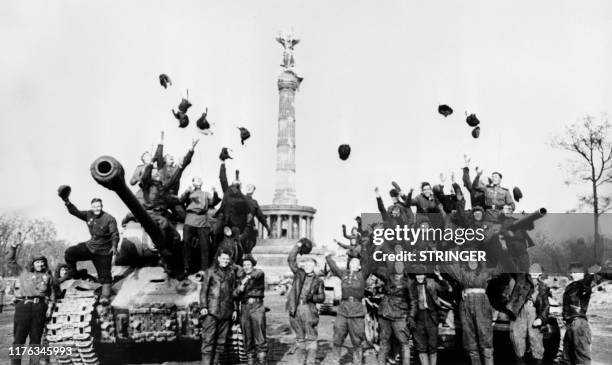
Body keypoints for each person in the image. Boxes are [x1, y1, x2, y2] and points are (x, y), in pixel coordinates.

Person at [440, 250, 499, 365]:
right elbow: (449, 266)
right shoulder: (462, 273)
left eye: (474, 259)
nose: (472, 261)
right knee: (470, 344)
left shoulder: (485, 272)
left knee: (486, 342)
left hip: (482, 305)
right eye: (469, 259)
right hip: (465, 306)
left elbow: (501, 270)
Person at [60, 194, 118, 304]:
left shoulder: (109, 219)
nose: (97, 209)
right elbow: (75, 212)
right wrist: (67, 201)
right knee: (70, 253)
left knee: (105, 277)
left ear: (102, 206)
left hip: (104, 251)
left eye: (98, 206)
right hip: (90, 247)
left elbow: (114, 234)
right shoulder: (89, 214)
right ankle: (72, 273)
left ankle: (105, 295)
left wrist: (114, 246)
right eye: (94, 206)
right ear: (92, 207)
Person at [7, 241, 55, 365]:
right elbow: (10, 261)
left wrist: (50, 307)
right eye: (38, 262)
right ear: (33, 263)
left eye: (42, 262)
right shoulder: (23, 273)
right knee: (19, 339)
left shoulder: (48, 276)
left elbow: (52, 294)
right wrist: (13, 247)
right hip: (24, 306)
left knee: (36, 340)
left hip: (40, 308)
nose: (41, 264)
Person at [372, 241, 417, 365]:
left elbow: (413, 301)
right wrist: (378, 250)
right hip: (385, 313)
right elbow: (374, 268)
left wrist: (411, 316)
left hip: (400, 315)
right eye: (396, 263)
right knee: (384, 341)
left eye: (401, 264)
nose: (398, 266)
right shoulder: (388, 276)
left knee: (404, 343)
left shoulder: (409, 282)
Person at [324, 253, 371, 365]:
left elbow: (369, 264)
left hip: (357, 310)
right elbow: (334, 268)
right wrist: (328, 257)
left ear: (360, 266)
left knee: (357, 339)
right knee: (338, 336)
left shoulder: (362, 275)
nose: (353, 264)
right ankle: (335, 360)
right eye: (351, 262)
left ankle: (357, 362)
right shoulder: (343, 274)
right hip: (343, 310)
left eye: (356, 263)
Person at [287, 240, 325, 365]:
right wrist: (297, 247)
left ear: (315, 267)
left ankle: (310, 361)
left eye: (310, 265)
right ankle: (300, 361)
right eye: (306, 264)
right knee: (299, 337)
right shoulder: (299, 274)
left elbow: (322, 297)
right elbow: (291, 260)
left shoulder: (318, 281)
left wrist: (312, 297)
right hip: (296, 309)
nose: (307, 266)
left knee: (311, 338)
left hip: (309, 309)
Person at [200, 250, 238, 365]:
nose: (225, 261)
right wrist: (203, 306)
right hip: (212, 310)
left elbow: (234, 292)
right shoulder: (211, 271)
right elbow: (204, 290)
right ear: (218, 259)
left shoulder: (231, 273)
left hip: (226, 310)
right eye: (223, 258)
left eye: (227, 259)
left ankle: (216, 363)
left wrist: (235, 309)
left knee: (221, 342)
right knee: (208, 341)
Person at [509, 263, 550, 365]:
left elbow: (545, 306)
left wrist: (541, 318)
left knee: (536, 342)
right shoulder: (521, 282)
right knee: (518, 340)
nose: (535, 277)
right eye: (532, 274)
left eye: (537, 274)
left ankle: (537, 361)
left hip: (534, 313)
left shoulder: (543, 287)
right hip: (520, 312)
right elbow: (514, 298)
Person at [560, 262, 600, 365]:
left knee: (582, 358)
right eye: (573, 272)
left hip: (579, 323)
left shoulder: (584, 284)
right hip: (570, 324)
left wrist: (590, 273)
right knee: (566, 358)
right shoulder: (570, 287)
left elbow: (587, 280)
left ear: (583, 274)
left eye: (578, 272)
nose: (575, 275)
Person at [180, 177, 221, 274]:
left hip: (202, 219)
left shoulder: (206, 194)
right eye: (196, 180)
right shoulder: (189, 193)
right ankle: (186, 267)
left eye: (200, 180)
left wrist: (215, 193)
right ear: (193, 183)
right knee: (186, 243)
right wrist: (186, 192)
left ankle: (204, 269)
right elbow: (181, 200)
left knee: (205, 245)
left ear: (202, 183)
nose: (198, 181)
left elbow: (213, 202)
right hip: (190, 218)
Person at [412, 266, 450, 365]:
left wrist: (439, 276)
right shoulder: (411, 285)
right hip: (417, 318)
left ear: (424, 275)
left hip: (431, 316)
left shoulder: (431, 282)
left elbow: (445, 288)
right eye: (417, 275)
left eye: (421, 275)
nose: (419, 277)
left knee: (433, 345)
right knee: (421, 346)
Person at [233, 254, 267, 365]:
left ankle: (262, 362)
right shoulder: (240, 278)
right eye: (244, 265)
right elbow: (234, 294)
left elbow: (258, 274)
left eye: (249, 264)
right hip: (244, 308)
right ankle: (250, 362)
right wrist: (240, 288)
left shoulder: (258, 273)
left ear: (253, 265)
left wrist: (246, 278)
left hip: (257, 307)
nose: (246, 267)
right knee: (247, 339)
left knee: (260, 337)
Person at [244, 184, 271, 253]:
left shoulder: (254, 202)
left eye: (251, 187)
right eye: (248, 187)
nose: (249, 188)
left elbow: (260, 216)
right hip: (240, 225)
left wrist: (267, 226)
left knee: (251, 242)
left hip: (250, 227)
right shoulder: (240, 199)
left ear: (253, 191)